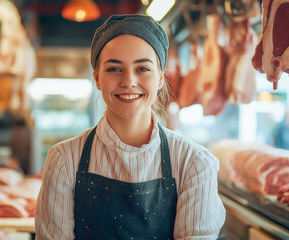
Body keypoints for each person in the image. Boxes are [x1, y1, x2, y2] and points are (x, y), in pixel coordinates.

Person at [35, 14, 225, 239]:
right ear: (97, 78)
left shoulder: (194, 162)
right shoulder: (64, 160)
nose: (128, 81)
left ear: (161, 79)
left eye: (142, 68)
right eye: (114, 69)